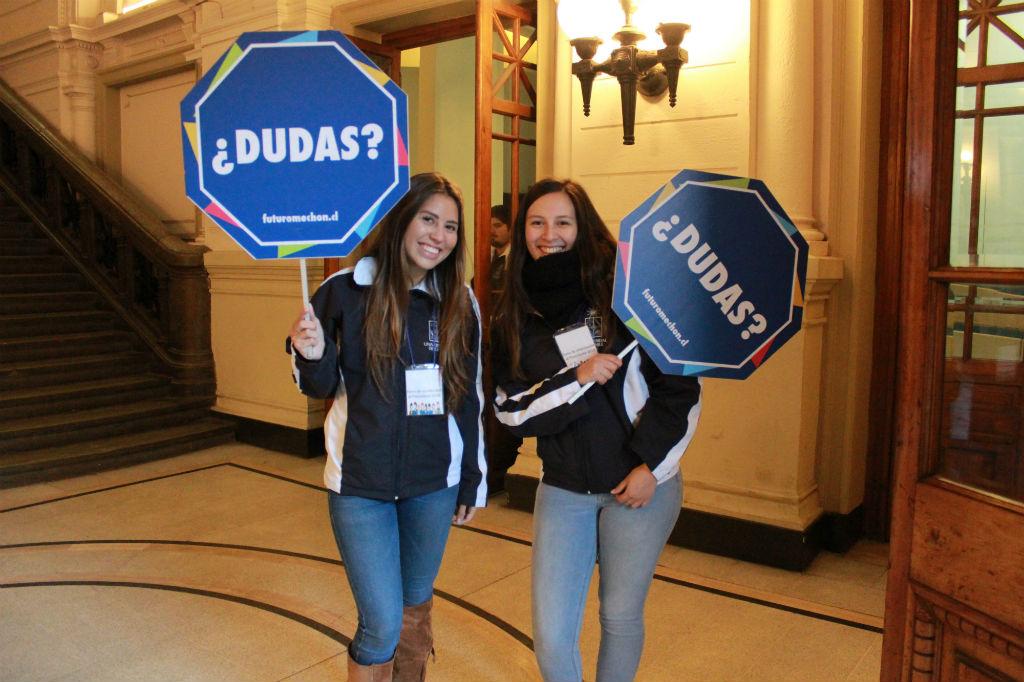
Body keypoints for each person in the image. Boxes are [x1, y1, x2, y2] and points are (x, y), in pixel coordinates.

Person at [491, 178, 701, 682]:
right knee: (552, 636)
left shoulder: (629, 293)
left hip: (640, 486)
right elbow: (510, 411)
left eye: (563, 222)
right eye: (537, 223)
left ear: (582, 228)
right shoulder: (514, 312)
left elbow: (681, 391)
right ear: (522, 232)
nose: (549, 234)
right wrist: (576, 379)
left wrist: (651, 467)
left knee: (619, 615)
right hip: (564, 489)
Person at [289, 172, 487, 681]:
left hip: (433, 485)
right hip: (360, 486)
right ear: (401, 219)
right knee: (380, 623)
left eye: (450, 227)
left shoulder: (459, 301)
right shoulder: (344, 290)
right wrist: (311, 353)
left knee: (415, 607)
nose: (438, 236)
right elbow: (318, 385)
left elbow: (468, 397)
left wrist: (472, 477)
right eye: (428, 219)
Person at [489, 203, 512, 295]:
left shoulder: (517, 257)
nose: (491, 231)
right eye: (488, 226)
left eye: (497, 225)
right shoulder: (485, 255)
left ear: (511, 228)